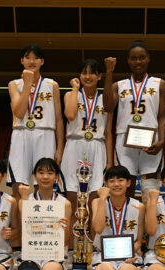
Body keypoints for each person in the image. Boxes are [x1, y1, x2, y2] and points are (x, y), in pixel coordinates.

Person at [103, 40, 165, 200]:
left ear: (148, 58)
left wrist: (162, 141)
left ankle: (149, 224)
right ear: (128, 60)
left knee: (150, 189)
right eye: (133, 58)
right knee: (126, 185)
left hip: (151, 141)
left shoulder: (160, 84)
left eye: (142, 57)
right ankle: (126, 222)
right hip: (125, 141)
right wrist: (109, 72)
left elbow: (162, 116)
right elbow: (107, 106)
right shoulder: (119, 85)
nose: (138, 61)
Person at [61, 59, 113, 244]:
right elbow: (70, 115)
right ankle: (69, 250)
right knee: (73, 198)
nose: (87, 76)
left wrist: (109, 161)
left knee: (93, 198)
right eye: (84, 72)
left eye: (92, 72)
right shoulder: (70, 95)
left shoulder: (105, 99)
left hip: (97, 146)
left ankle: (91, 249)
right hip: (75, 145)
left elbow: (108, 132)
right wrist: (75, 89)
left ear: (99, 76)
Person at [6, 44, 64, 202]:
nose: (32, 61)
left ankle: (43, 224)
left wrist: (59, 148)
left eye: (36, 58)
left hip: (45, 133)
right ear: (22, 61)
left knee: (44, 183)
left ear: (42, 61)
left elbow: (59, 118)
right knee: (18, 185)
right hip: (21, 132)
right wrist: (27, 83)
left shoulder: (52, 85)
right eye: (27, 57)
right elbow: (19, 112)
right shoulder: (14, 84)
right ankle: (19, 226)